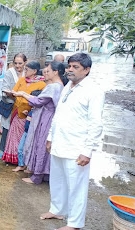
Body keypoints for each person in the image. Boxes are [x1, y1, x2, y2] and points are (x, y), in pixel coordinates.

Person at [40, 53, 104, 230]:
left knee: (77, 187)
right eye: (69, 66)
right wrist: (50, 137)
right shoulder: (68, 86)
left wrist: (87, 150)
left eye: (75, 67)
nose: (70, 70)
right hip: (59, 143)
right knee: (57, 180)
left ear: (87, 70)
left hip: (77, 148)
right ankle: (57, 209)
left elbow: (96, 123)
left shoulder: (94, 91)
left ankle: (75, 223)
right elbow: (58, 114)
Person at [14, 61, 68, 183]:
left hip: (46, 119)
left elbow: (38, 102)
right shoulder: (61, 86)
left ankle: (37, 176)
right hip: (51, 118)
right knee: (47, 148)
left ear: (56, 72)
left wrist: (23, 94)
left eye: (48, 71)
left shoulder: (53, 87)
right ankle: (45, 174)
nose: (45, 73)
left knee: (41, 145)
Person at [2, 61, 46, 166]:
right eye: (25, 69)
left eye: (27, 70)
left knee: (24, 137)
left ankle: (21, 160)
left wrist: (26, 101)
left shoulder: (42, 84)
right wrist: (11, 94)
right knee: (13, 135)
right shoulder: (22, 80)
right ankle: (11, 157)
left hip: (29, 114)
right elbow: (14, 91)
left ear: (35, 71)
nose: (24, 71)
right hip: (17, 111)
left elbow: (39, 100)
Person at [0, 53, 27, 159]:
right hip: (10, 103)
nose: (18, 66)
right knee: (6, 128)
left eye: (20, 63)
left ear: (25, 63)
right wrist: (14, 94)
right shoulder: (10, 72)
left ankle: (17, 152)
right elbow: (4, 88)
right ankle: (3, 150)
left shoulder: (27, 73)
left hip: (23, 106)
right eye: (16, 63)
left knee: (20, 130)